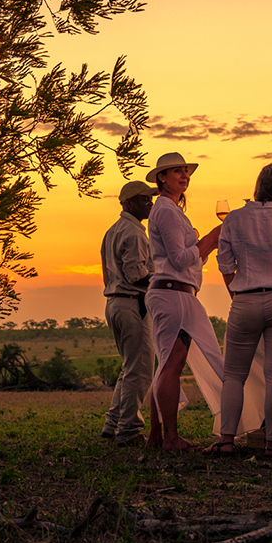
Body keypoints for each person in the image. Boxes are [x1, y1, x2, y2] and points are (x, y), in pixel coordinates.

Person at [209, 162, 272, 457]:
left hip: (245, 298)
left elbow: (224, 264)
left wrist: (236, 294)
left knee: (234, 375)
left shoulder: (234, 220)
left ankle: (226, 440)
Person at [143, 151, 226, 451]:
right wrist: (210, 240)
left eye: (186, 171)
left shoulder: (173, 211)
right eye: (176, 171)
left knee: (165, 363)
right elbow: (178, 259)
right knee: (171, 365)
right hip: (172, 293)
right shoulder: (165, 211)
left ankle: (156, 435)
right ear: (161, 178)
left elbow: (187, 259)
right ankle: (171, 439)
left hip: (179, 293)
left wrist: (206, 247)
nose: (184, 175)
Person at [100, 180, 158, 445]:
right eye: (145, 199)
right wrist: (164, 282)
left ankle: (113, 423)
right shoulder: (134, 233)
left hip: (115, 303)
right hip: (132, 303)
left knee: (129, 367)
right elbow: (137, 276)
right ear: (130, 203)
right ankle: (129, 430)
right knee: (141, 369)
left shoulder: (113, 230)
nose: (151, 203)